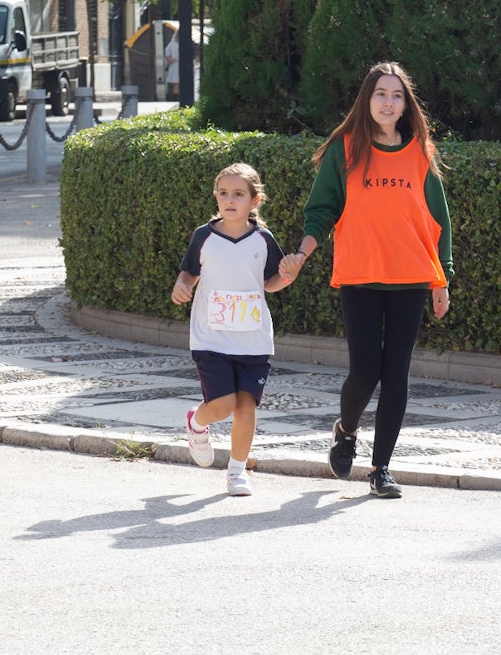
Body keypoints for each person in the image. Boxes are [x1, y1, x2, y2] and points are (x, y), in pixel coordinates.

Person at [279, 61, 453, 499]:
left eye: (396, 95)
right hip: (360, 274)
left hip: (411, 276)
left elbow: (437, 219)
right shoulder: (346, 149)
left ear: (405, 103)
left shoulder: (420, 152)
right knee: (364, 373)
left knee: (396, 375)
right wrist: (301, 253)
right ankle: (347, 430)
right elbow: (322, 210)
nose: (388, 102)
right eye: (380, 94)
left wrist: (442, 278)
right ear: (367, 99)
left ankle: (381, 468)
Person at [172, 162, 296, 496]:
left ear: (255, 201)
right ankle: (197, 423)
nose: (230, 200)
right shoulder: (205, 236)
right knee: (222, 405)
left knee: (245, 408)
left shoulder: (263, 240)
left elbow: (270, 283)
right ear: (216, 197)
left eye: (239, 194)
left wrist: (287, 277)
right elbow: (188, 273)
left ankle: (237, 471)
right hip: (210, 336)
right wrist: (181, 286)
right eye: (224, 193)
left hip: (253, 339)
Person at [165, 28, 180, 99]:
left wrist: (169, 59)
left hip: (174, 63)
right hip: (178, 63)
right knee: (178, 84)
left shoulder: (173, 40)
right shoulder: (183, 41)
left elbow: (167, 50)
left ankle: (175, 99)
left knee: (176, 84)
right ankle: (177, 100)